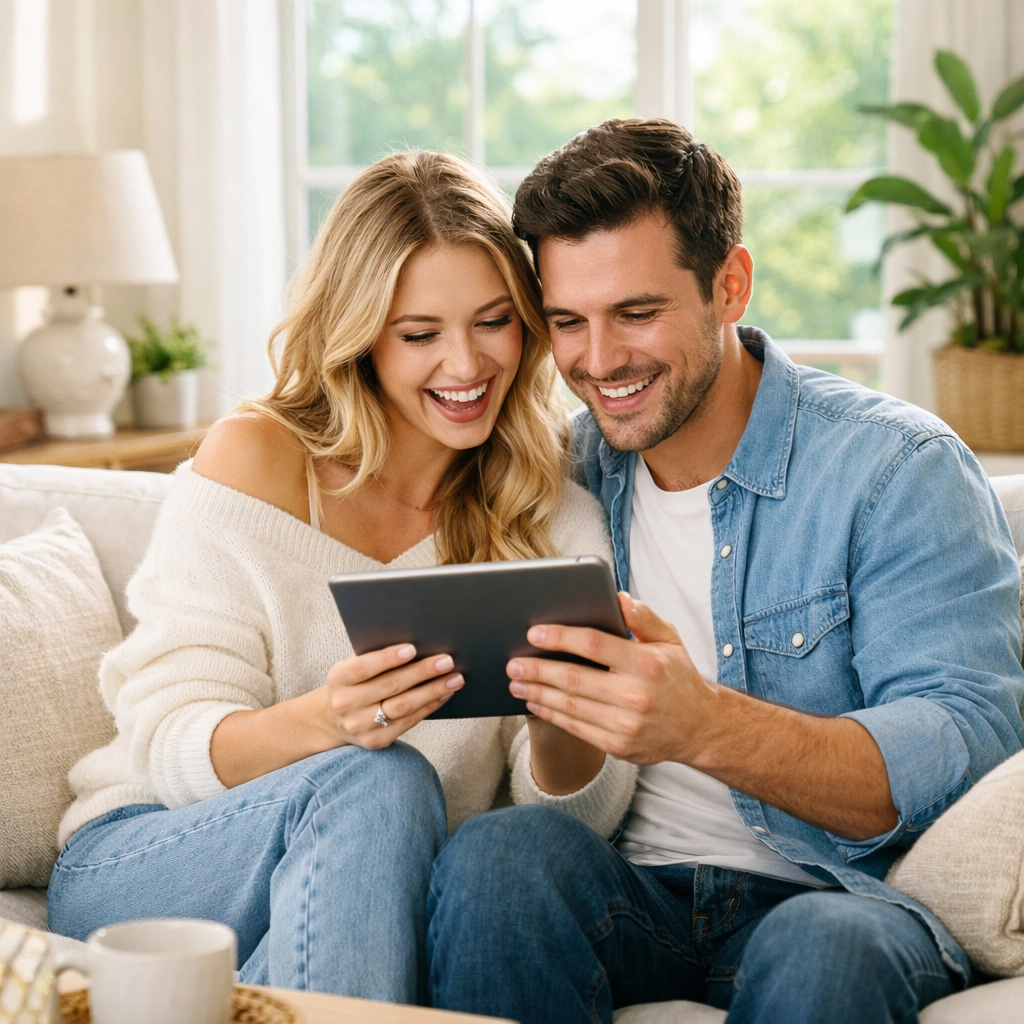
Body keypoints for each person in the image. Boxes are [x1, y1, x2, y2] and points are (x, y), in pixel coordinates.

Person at [426, 119, 1024, 1023]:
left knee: (823, 944)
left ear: (729, 285)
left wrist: (704, 725)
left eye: (636, 313)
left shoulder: (894, 467)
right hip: (631, 896)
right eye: (566, 323)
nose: (597, 360)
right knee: (497, 856)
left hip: (833, 898)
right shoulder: (564, 476)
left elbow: (965, 738)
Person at [47, 150, 635, 1003]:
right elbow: (169, 745)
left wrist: (564, 715)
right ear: (360, 336)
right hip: (157, 857)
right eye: (419, 334)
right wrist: (326, 720)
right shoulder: (260, 460)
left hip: (364, 896)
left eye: (494, 320)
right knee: (381, 774)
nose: (466, 366)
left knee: (388, 802)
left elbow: (576, 823)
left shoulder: (553, 513)